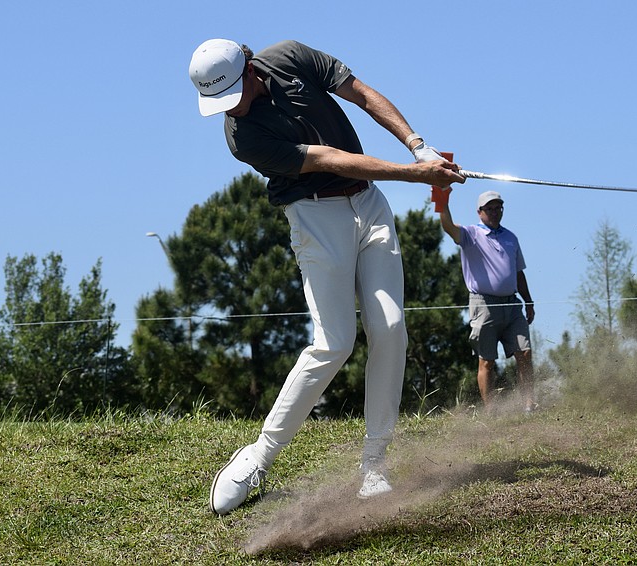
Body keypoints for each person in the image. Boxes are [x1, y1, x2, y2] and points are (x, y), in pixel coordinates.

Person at [188, 38, 464, 515]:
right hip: (316, 218)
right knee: (334, 343)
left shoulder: (291, 56)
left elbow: (361, 93)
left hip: (370, 204)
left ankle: (374, 465)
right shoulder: (243, 139)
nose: (232, 109)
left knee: (391, 330)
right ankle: (258, 457)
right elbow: (326, 158)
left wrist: (420, 148)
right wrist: (415, 175)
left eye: (234, 93)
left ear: (250, 68)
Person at [437, 190, 536, 413]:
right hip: (483, 305)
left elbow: (518, 273)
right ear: (479, 212)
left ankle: (529, 406)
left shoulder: (511, 238)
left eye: (498, 207)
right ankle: (490, 410)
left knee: (525, 354)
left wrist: (528, 301)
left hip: (512, 305)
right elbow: (448, 226)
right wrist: (442, 200)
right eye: (489, 208)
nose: (494, 212)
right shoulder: (471, 234)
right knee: (487, 361)